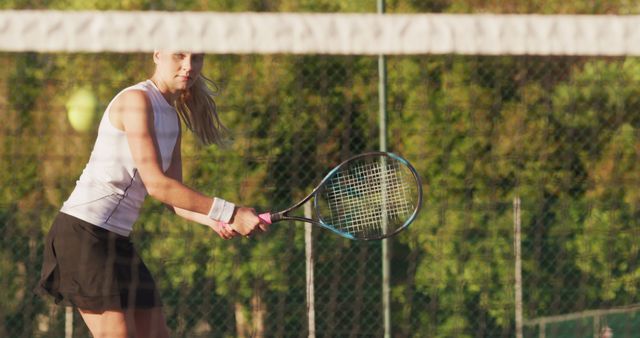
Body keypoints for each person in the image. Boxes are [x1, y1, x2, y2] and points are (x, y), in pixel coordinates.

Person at [35, 51, 267, 338]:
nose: (188, 66)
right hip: (83, 235)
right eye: (179, 56)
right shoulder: (137, 101)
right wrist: (231, 212)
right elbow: (157, 185)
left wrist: (216, 221)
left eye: (197, 58)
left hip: (117, 242)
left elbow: (173, 199)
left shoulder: (171, 118)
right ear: (158, 55)